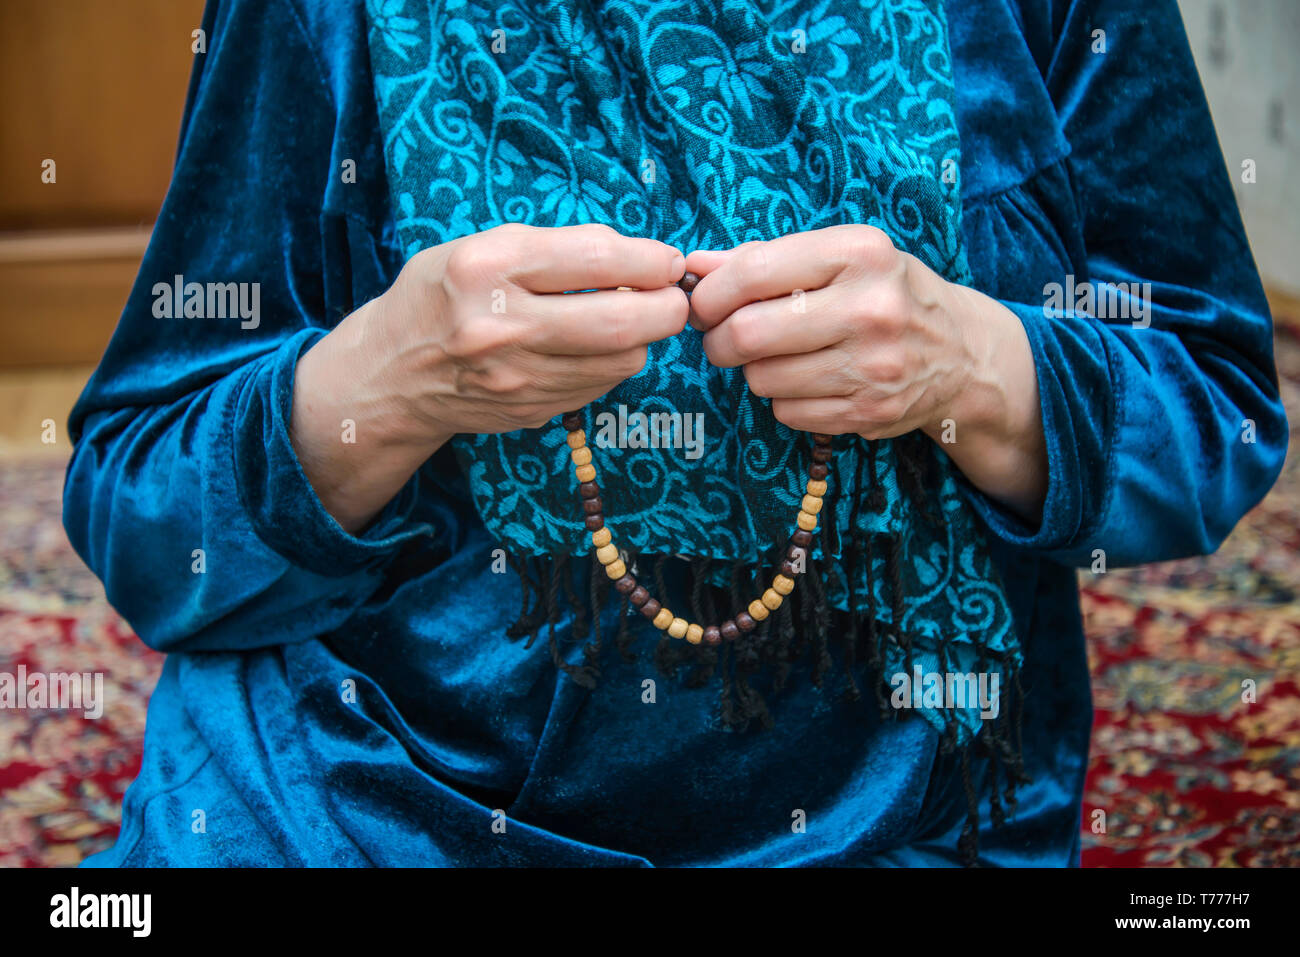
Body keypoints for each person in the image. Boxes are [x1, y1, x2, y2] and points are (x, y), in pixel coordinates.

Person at [64, 0, 1286, 866]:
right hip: (362, 798)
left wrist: (973, 366)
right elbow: (149, 520)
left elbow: (1214, 403)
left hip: (899, 823)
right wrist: (382, 381)